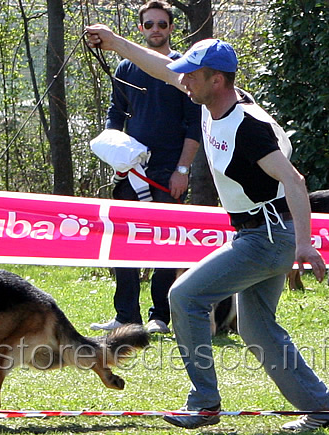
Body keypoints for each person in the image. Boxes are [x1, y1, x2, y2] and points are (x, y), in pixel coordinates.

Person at [85, 25, 329, 432]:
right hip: (256, 231)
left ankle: (204, 403)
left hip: (267, 235)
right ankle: (325, 407)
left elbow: (295, 182)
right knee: (255, 326)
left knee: (185, 295)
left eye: (192, 74)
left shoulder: (247, 127)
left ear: (218, 79)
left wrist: (304, 244)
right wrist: (114, 41)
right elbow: (160, 67)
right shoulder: (207, 96)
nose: (183, 79)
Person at [90, 1, 201, 335]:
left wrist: (182, 170)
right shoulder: (125, 68)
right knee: (121, 241)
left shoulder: (182, 68)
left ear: (170, 28)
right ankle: (126, 315)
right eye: (149, 24)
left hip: (169, 171)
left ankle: (160, 316)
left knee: (166, 243)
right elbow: (116, 111)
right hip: (131, 169)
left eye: (162, 25)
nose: (156, 30)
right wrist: (112, 144)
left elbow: (194, 125)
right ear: (141, 29)